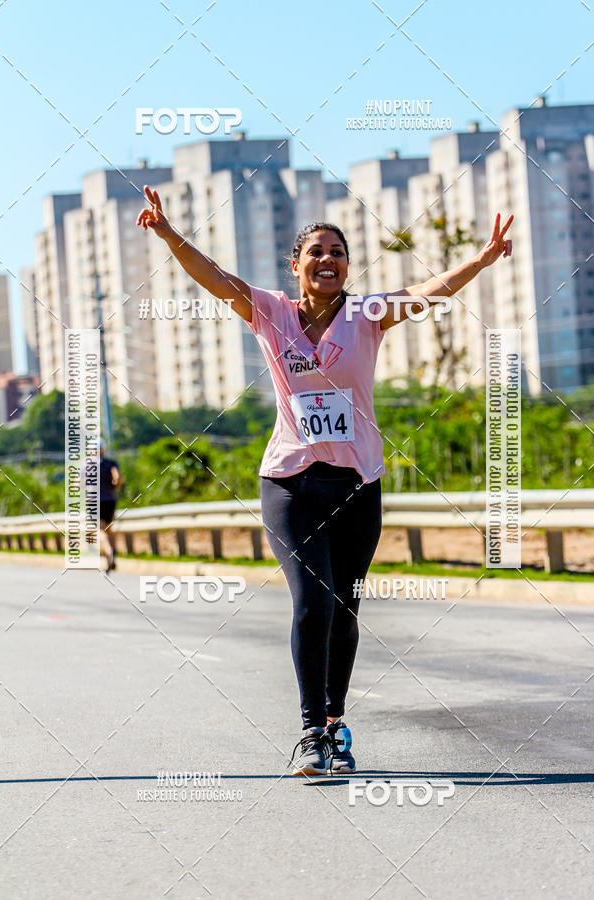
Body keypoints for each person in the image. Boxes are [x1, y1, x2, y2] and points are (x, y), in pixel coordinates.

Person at [137, 185, 512, 775]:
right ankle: (311, 730)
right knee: (313, 600)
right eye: (316, 251)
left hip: (357, 481)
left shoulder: (367, 316)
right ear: (297, 265)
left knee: (346, 604)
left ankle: (336, 724)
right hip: (290, 481)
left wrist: (481, 261)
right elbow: (212, 277)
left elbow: (424, 294)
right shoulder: (271, 312)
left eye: (336, 251)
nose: (327, 259)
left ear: (346, 264)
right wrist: (166, 232)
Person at [99, 438, 122, 573]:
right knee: (108, 529)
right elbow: (117, 477)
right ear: (103, 449)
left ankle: (109, 551)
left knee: (100, 531)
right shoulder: (111, 463)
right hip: (110, 500)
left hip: (94, 501)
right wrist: (114, 487)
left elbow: (78, 483)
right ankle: (110, 564)